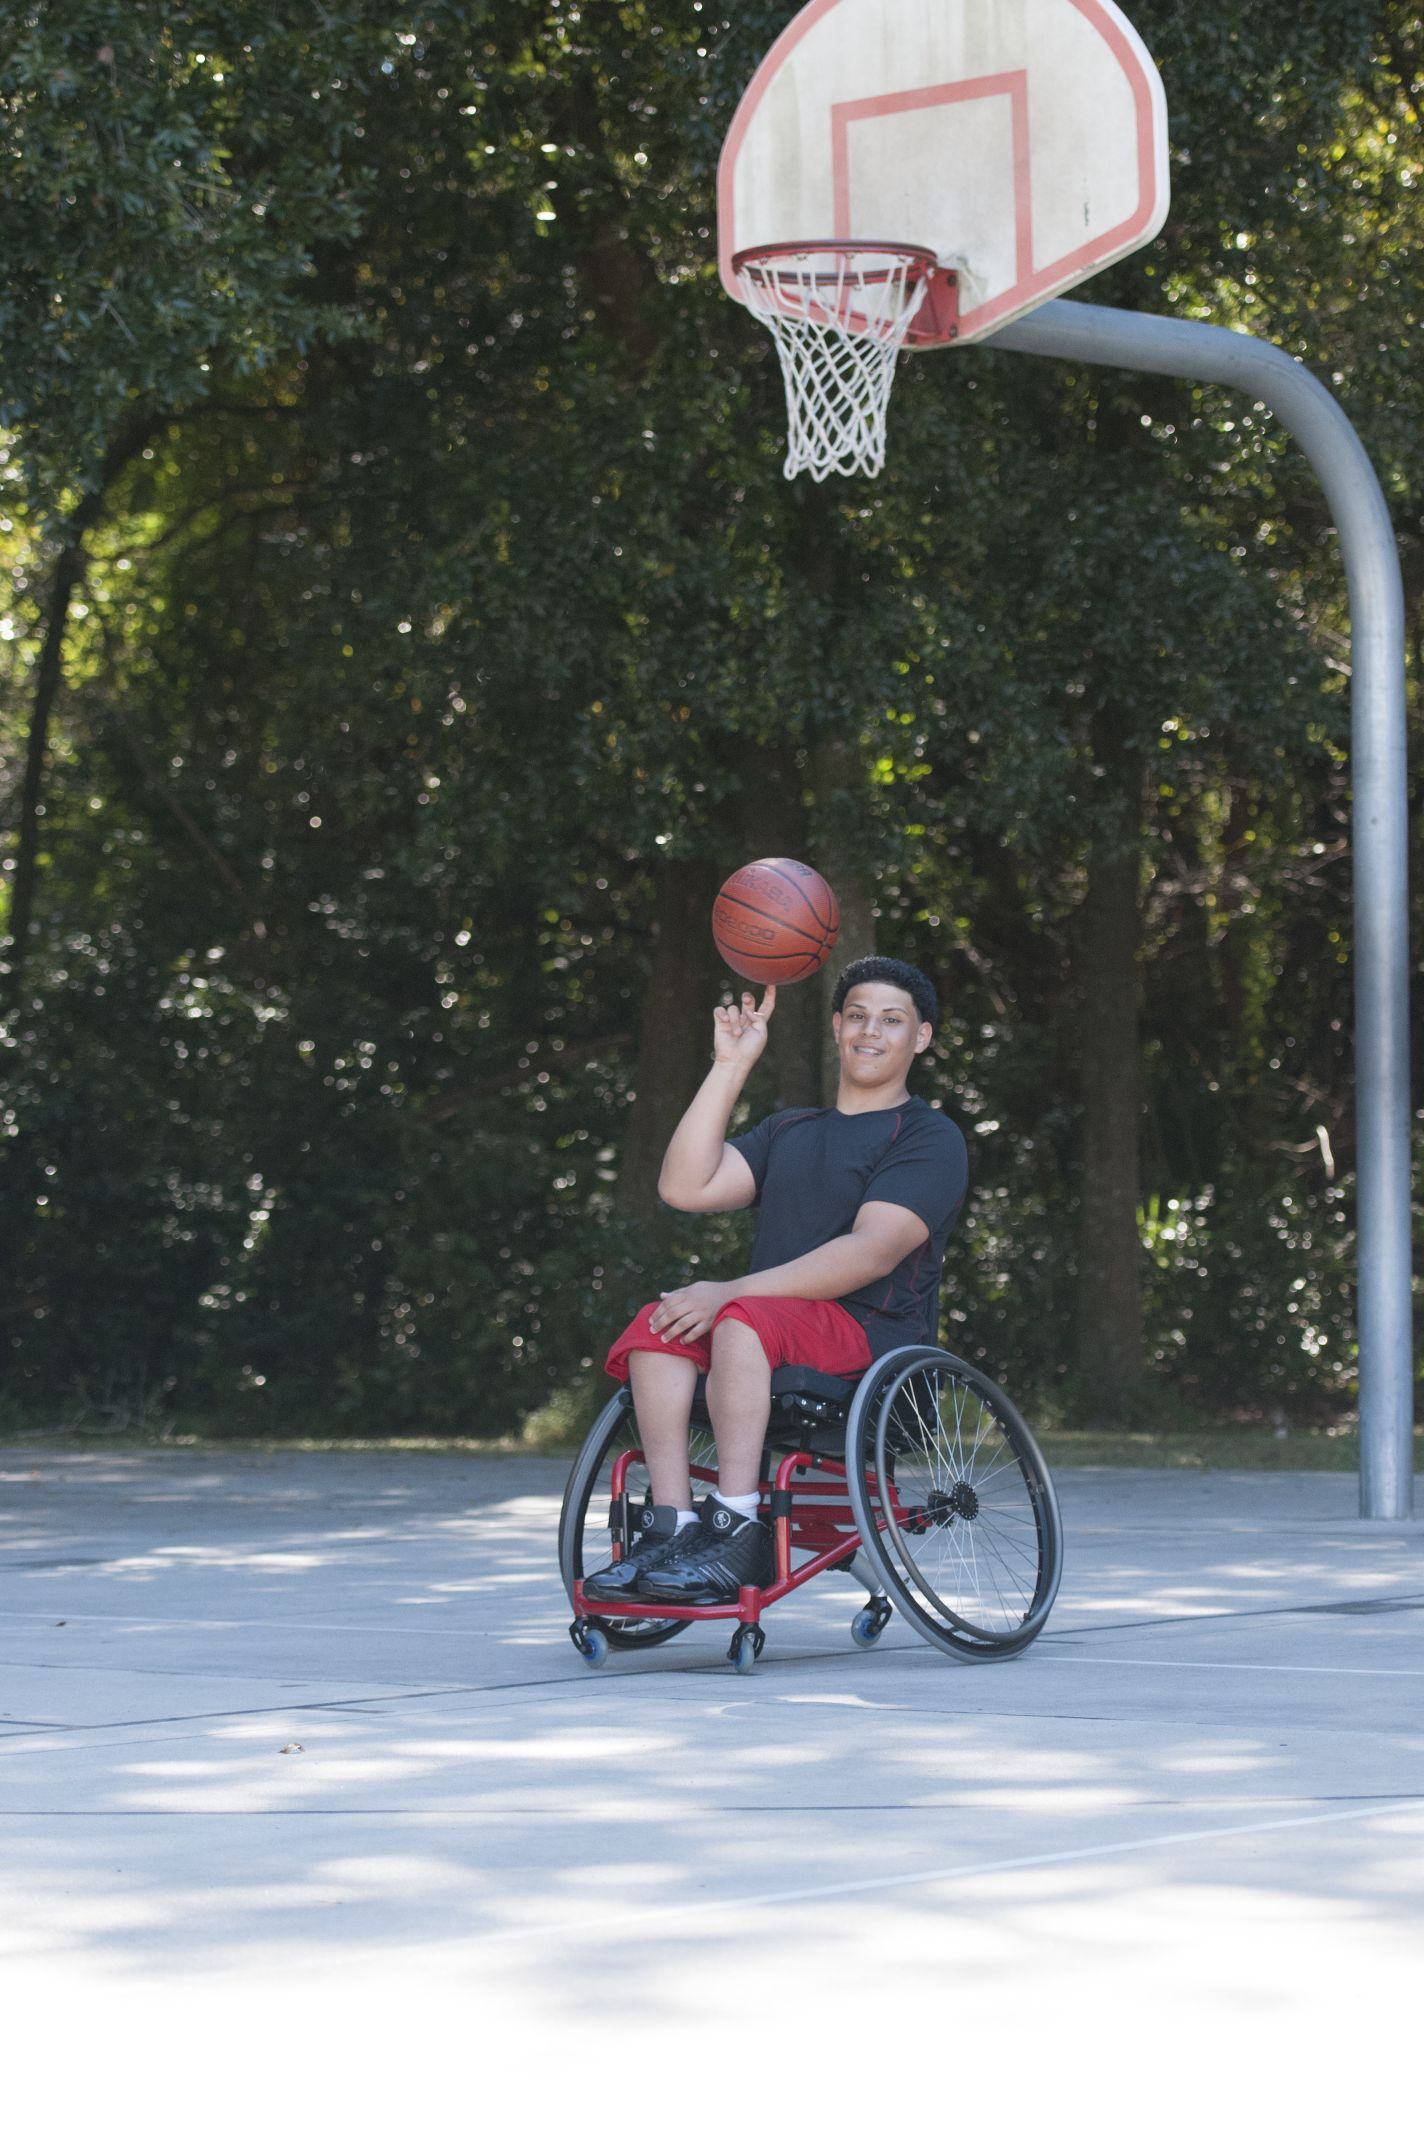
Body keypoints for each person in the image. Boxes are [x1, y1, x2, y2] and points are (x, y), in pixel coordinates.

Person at [585, 955, 969, 1608]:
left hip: (870, 1334)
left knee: (739, 1319)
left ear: (921, 1037)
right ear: (835, 1026)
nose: (870, 1032)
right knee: (660, 1324)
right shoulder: (791, 1130)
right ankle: (673, 1525)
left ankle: (737, 1528)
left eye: (892, 1020)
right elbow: (683, 1186)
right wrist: (730, 1066)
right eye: (857, 1016)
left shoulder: (929, 1137)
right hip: (771, 1328)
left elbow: (872, 1251)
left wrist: (731, 1292)